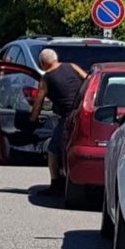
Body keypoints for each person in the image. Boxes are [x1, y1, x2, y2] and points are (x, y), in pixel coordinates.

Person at [28, 48, 88, 196]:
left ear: (42, 64)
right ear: (56, 58)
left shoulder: (46, 78)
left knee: (53, 150)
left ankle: (56, 184)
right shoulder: (72, 66)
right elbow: (88, 79)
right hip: (82, 111)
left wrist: (33, 119)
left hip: (67, 117)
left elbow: (39, 102)